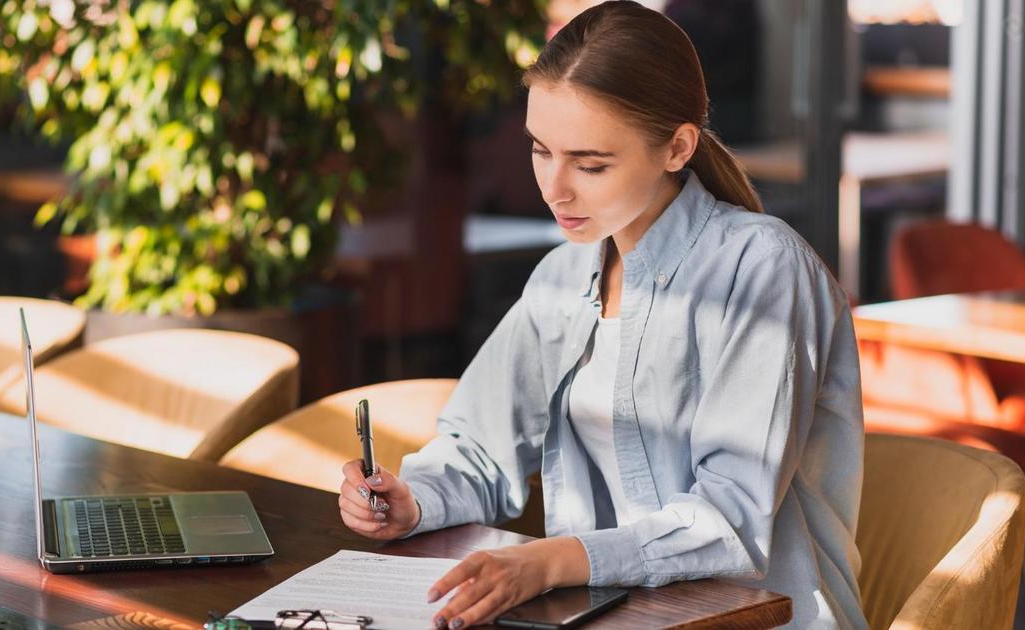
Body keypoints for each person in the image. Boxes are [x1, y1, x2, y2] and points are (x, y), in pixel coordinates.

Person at [337, 2, 865, 628]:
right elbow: (480, 446)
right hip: (611, 616)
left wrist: (551, 561)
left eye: (590, 164)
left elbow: (728, 518)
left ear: (677, 148)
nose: (554, 188)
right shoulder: (563, 277)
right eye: (540, 151)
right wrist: (411, 500)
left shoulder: (762, 271)